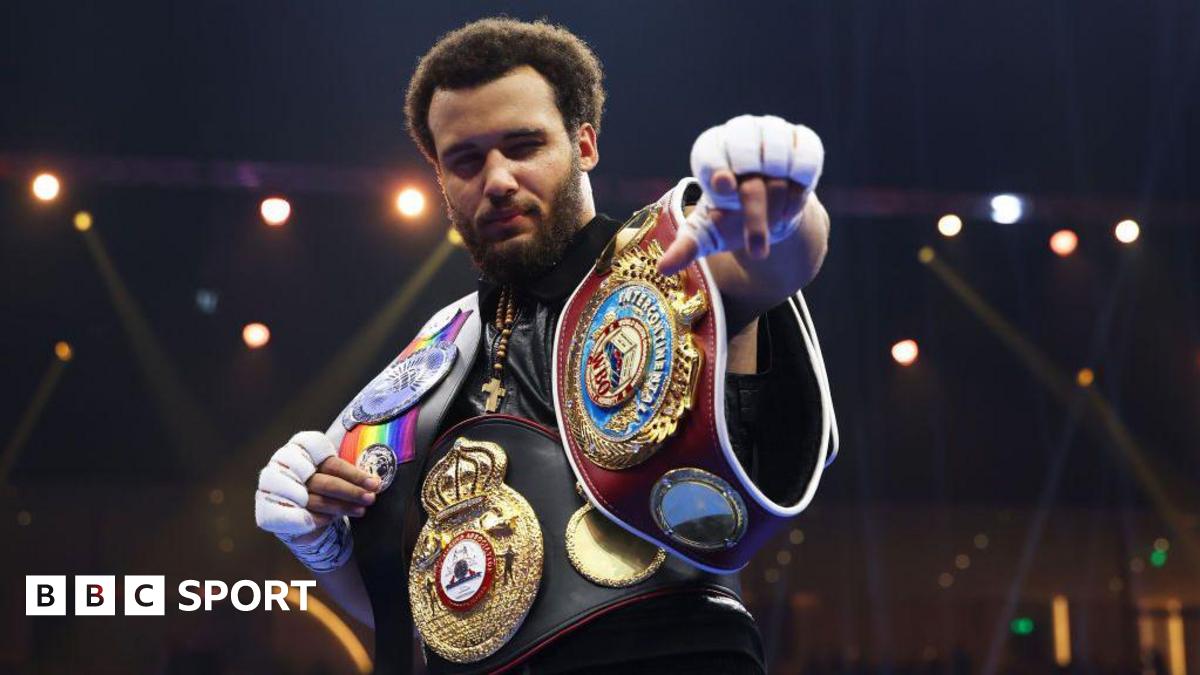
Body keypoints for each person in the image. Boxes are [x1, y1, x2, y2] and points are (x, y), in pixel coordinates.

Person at [255, 17, 835, 674]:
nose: (496, 179)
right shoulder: (432, 355)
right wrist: (318, 539)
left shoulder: (667, 266)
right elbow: (407, 606)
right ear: (440, 177)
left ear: (584, 143)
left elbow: (770, 262)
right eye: (466, 160)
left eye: (523, 145)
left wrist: (782, 203)